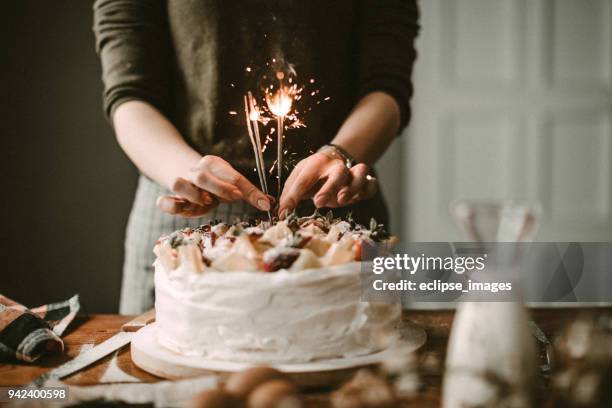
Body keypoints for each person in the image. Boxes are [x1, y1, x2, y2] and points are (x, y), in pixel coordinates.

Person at [93, 0, 419, 314]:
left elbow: (386, 84)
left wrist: (341, 154)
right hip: (188, 209)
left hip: (338, 207)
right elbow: (129, 92)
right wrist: (189, 172)